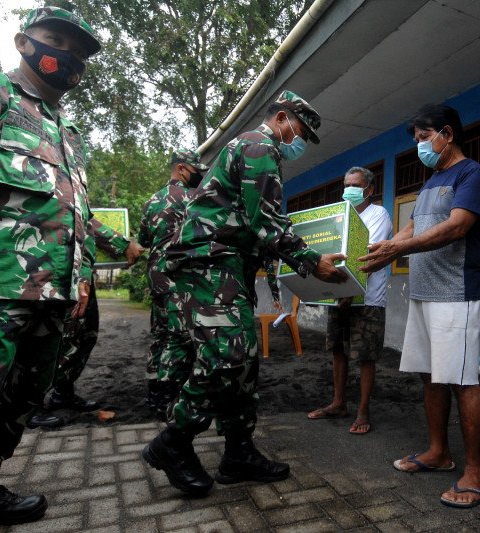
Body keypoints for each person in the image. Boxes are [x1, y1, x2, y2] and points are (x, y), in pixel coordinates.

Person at [0, 6, 100, 529]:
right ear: (23, 41)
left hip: (52, 293)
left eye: (78, 52)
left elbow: (77, 213)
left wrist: (82, 279)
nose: (68, 56)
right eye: (57, 40)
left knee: (22, 397)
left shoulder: (66, 130)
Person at [142, 90, 347, 497]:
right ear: (283, 118)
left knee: (244, 362)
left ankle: (238, 453)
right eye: (301, 131)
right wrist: (311, 262)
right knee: (227, 358)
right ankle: (173, 442)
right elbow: (265, 221)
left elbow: (258, 223)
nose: (300, 140)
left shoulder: (254, 149)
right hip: (210, 265)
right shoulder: (258, 146)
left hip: (228, 267)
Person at [359, 104, 480, 509]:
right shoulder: (432, 180)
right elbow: (414, 226)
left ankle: (477, 474)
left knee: (462, 380)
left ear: (446, 134)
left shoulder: (472, 174)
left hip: (457, 293)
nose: (419, 146)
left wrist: (396, 247)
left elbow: (456, 226)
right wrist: (380, 252)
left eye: (423, 138)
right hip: (423, 292)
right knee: (430, 378)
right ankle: (439, 452)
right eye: (417, 140)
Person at [27, 219, 144, 428]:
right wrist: (123, 244)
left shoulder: (74, 187)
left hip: (77, 275)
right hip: (44, 275)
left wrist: (122, 244)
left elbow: (84, 220)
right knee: (42, 340)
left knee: (83, 335)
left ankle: (63, 393)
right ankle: (27, 406)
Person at [307, 166, 392, 434]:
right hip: (339, 293)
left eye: (354, 185)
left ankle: (363, 411)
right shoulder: (340, 214)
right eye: (346, 184)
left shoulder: (378, 214)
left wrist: (351, 291)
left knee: (365, 354)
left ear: (369, 189)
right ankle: (338, 403)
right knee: (338, 350)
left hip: (368, 298)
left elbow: (367, 254)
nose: (348, 190)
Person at [138, 151, 205, 416]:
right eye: (194, 170)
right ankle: (169, 396)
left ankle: (154, 390)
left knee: (159, 333)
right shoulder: (192, 199)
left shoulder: (152, 200)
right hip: (178, 278)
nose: (198, 175)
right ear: (181, 169)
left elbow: (143, 240)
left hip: (156, 277)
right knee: (179, 338)